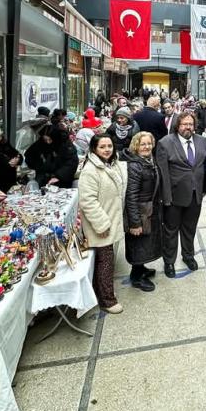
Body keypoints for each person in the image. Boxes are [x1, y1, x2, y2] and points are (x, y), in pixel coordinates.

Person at [78, 134, 126, 314]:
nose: (107, 150)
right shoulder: (91, 170)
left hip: (110, 220)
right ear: (94, 149)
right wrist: (102, 224)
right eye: (102, 147)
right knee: (105, 262)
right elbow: (87, 201)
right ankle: (107, 300)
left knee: (104, 259)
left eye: (109, 146)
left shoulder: (109, 164)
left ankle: (102, 292)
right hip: (101, 225)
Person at [156, 112, 206, 278]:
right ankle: (169, 261)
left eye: (191, 124)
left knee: (189, 229)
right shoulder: (165, 143)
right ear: (177, 125)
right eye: (184, 124)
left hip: (195, 195)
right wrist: (166, 197)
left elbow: (204, 166)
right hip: (174, 197)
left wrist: (203, 190)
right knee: (170, 231)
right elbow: (163, 172)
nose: (188, 127)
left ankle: (188, 256)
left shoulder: (202, 141)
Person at [122, 132, 163, 292]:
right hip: (139, 212)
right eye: (142, 144)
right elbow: (130, 196)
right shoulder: (134, 165)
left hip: (148, 210)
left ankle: (141, 269)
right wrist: (134, 222)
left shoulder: (147, 161)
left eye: (149, 143)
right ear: (136, 146)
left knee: (144, 243)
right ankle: (136, 277)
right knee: (138, 243)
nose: (146, 147)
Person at [24, 124, 79, 189]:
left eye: (50, 139)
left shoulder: (65, 144)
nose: (48, 142)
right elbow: (30, 155)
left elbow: (72, 162)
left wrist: (58, 176)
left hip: (61, 179)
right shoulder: (41, 143)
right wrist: (39, 166)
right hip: (44, 177)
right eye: (45, 140)